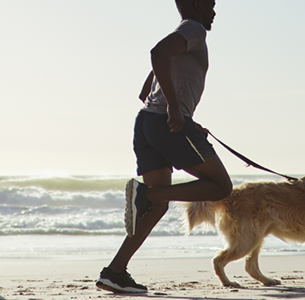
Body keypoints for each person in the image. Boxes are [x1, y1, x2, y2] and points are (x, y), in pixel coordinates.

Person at [95, 0, 233, 294]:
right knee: (221, 186)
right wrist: (175, 108)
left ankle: (115, 271)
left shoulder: (181, 38)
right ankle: (146, 194)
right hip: (166, 123)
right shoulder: (193, 29)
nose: (214, 10)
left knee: (156, 207)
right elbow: (157, 52)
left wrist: (180, 111)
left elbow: (146, 92)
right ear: (196, 4)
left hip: (147, 122)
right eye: (210, 3)